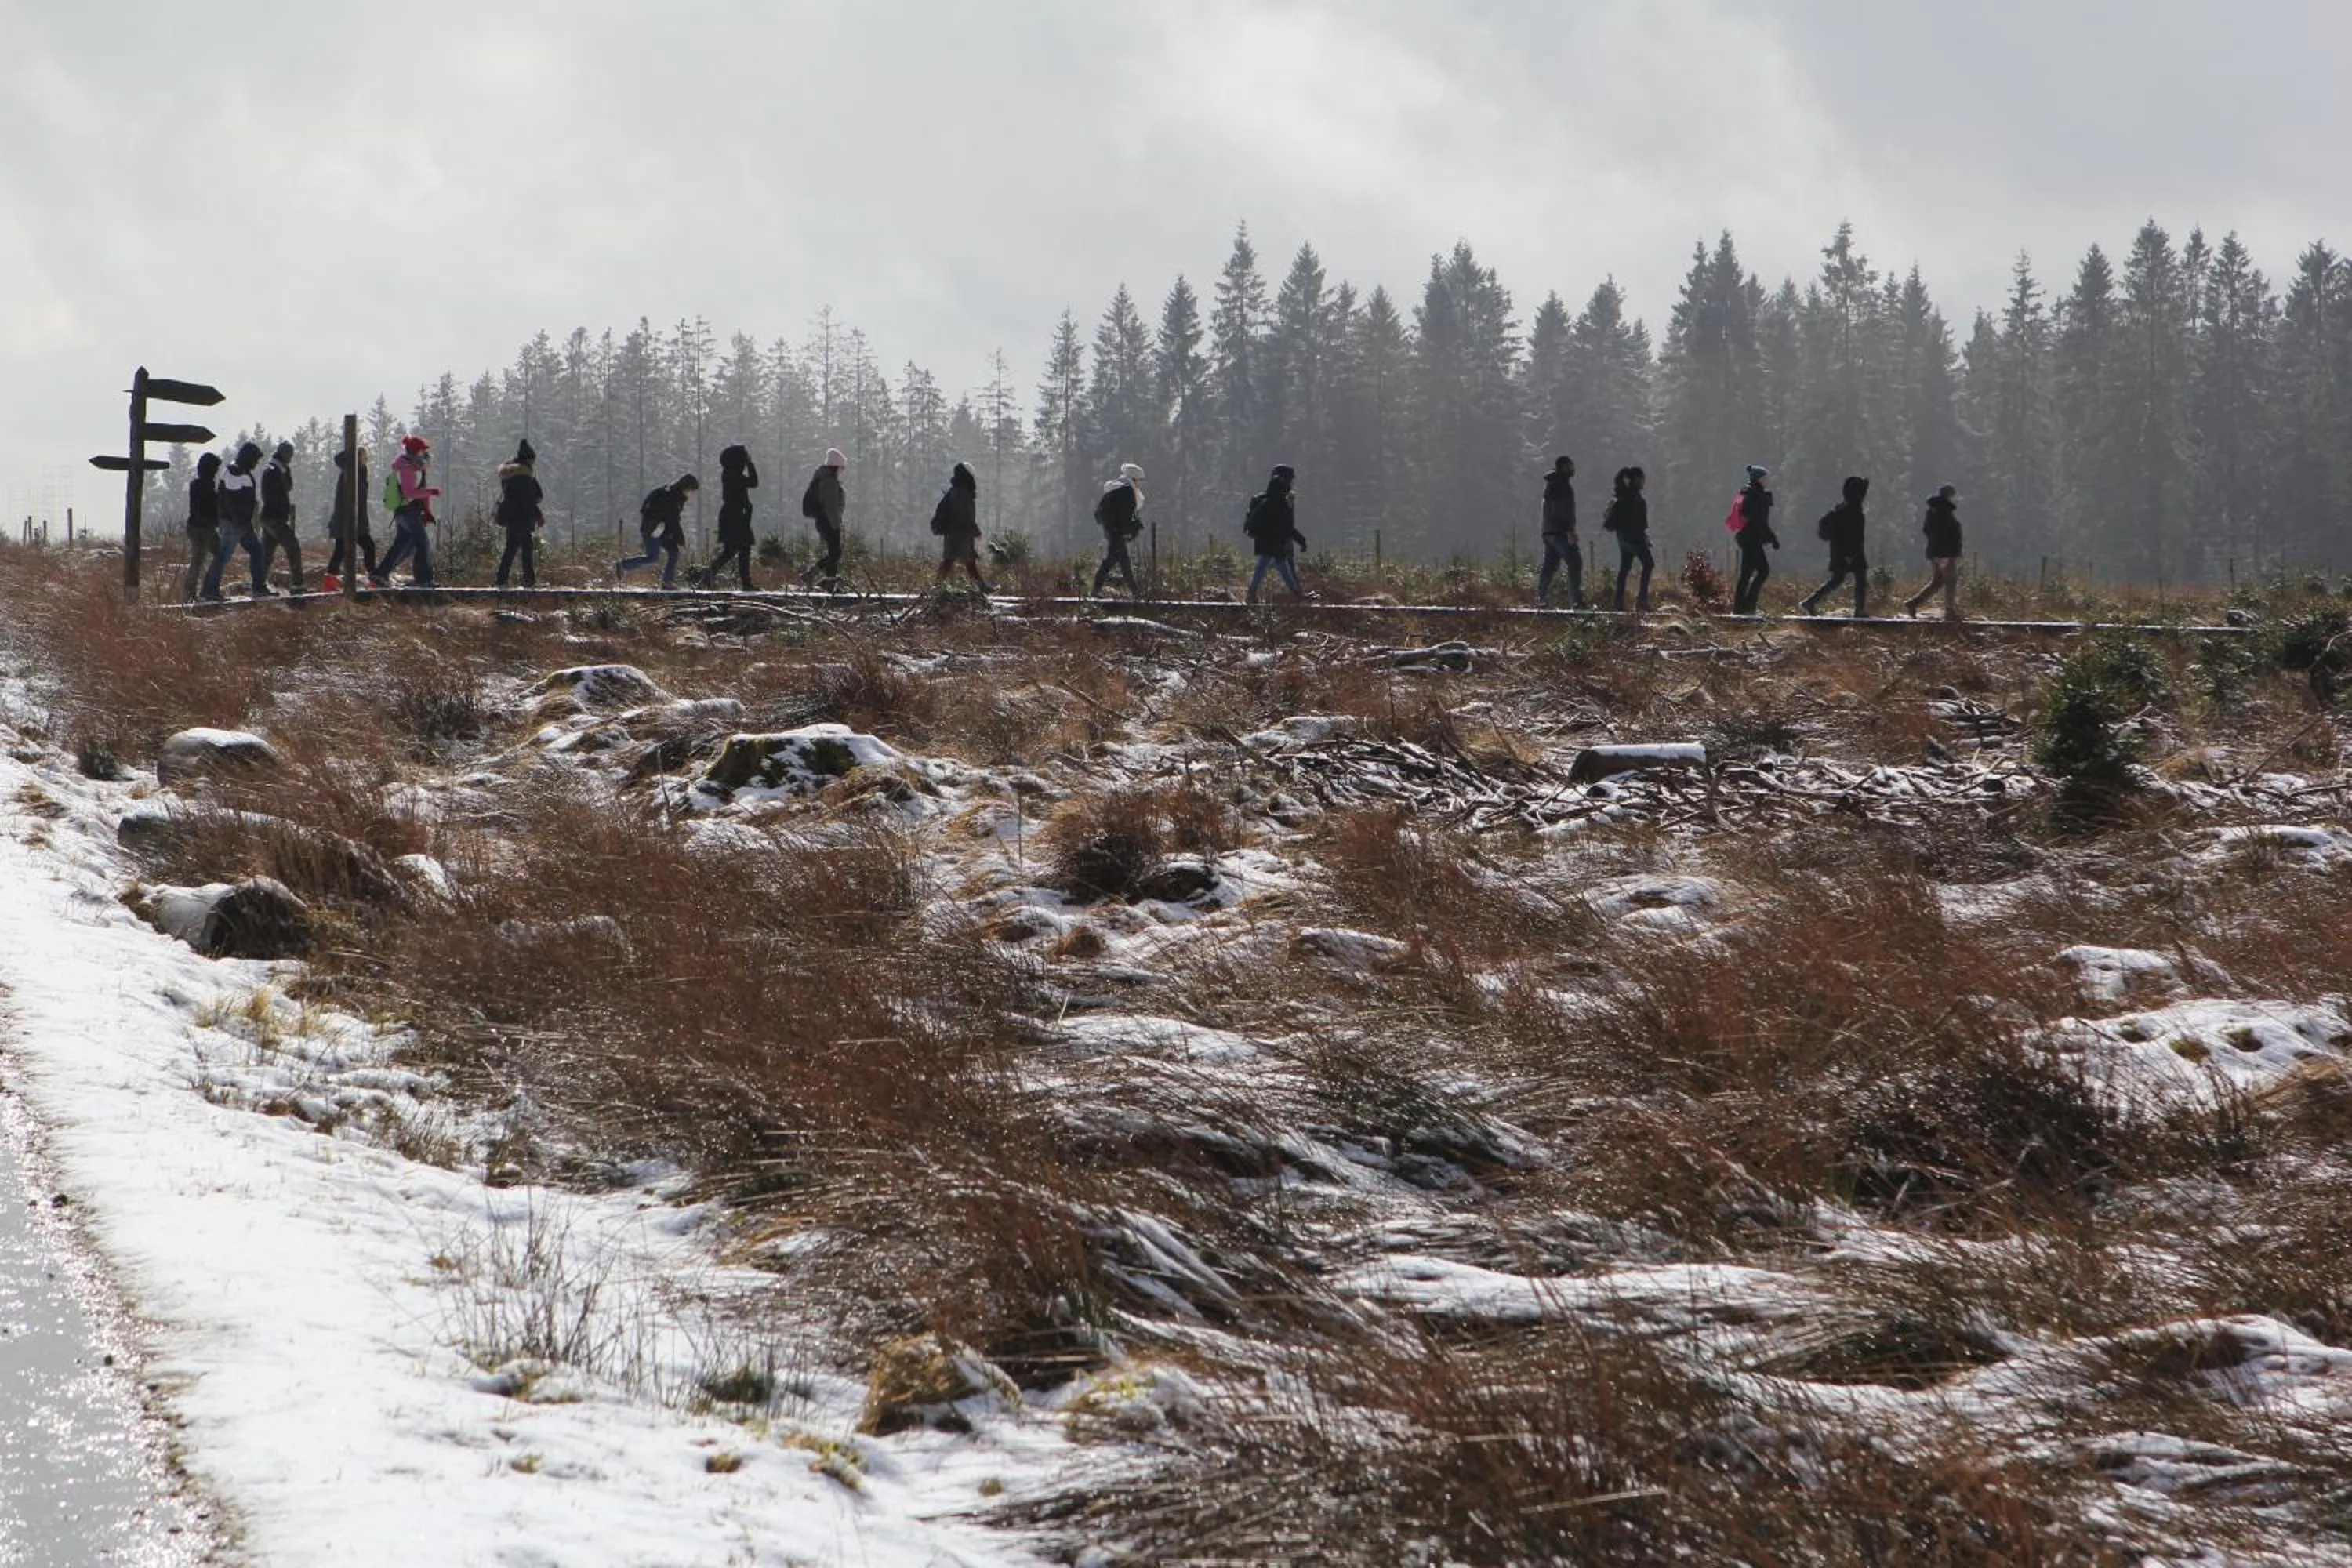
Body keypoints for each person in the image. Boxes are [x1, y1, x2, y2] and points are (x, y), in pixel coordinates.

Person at [1798, 476, 1872, 618]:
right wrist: (1850, 555)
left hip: (1840, 551)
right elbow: (1852, 536)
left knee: (1838, 579)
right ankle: (1859, 610)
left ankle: (1811, 602)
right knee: (1859, 578)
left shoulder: (1842, 509)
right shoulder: (1853, 511)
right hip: (1850, 552)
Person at [374, 434, 442, 588]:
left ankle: (381, 574)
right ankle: (424, 579)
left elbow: (414, 492)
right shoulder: (408, 468)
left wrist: (426, 510)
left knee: (404, 544)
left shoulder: (410, 466)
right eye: (423, 451)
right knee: (422, 543)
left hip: (403, 512)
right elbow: (409, 493)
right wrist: (432, 492)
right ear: (416, 451)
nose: (425, 454)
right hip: (408, 512)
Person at [201, 441, 265, 601]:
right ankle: (210, 591)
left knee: (256, 551)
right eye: (255, 460)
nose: (256, 464)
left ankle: (259, 586)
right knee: (223, 556)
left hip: (239, 523)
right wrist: (240, 522)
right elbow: (232, 502)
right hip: (235, 524)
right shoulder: (235, 473)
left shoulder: (234, 471)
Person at [693, 445, 760, 590]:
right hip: (735, 517)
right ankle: (744, 583)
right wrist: (750, 464)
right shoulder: (733, 475)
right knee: (740, 549)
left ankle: (710, 576)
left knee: (733, 550)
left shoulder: (730, 473)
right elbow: (754, 482)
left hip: (734, 516)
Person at [615, 474, 699, 587]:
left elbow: (672, 520)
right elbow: (673, 521)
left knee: (674, 552)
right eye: (691, 491)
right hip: (652, 530)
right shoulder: (671, 497)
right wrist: (681, 542)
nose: (692, 494)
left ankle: (667, 582)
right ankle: (623, 565)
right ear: (686, 487)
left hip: (662, 531)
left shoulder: (677, 496)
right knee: (652, 557)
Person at [1244, 465, 1307, 604]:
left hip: (1266, 542)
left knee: (1276, 565)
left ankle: (1296, 593)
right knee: (1273, 565)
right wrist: (1301, 540)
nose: (1292, 484)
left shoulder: (1261, 499)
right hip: (1275, 542)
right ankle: (1296, 593)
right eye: (1290, 480)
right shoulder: (1282, 502)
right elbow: (1288, 527)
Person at [1904, 485, 1964, 621]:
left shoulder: (1934, 511)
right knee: (1951, 581)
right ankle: (1950, 612)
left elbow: (1927, 531)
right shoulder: (1944, 512)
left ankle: (1914, 603)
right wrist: (1944, 556)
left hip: (1935, 551)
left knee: (1938, 581)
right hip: (1945, 553)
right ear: (1950, 496)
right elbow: (1944, 534)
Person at [1090, 463, 1146, 599]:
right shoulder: (1127, 492)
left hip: (1112, 531)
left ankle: (1136, 593)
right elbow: (1125, 517)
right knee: (1111, 561)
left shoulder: (1117, 490)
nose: (1141, 484)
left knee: (1123, 562)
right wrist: (1134, 527)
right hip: (1116, 533)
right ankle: (1095, 591)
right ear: (1133, 479)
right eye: (1140, 480)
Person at [493, 439, 545, 588]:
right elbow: (529, 498)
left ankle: (503, 580)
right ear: (529, 459)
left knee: (513, 549)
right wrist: (538, 515)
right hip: (523, 516)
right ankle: (525, 581)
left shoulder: (510, 474)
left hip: (513, 516)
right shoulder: (524, 476)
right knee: (524, 551)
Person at [929, 462, 988, 592]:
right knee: (950, 561)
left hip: (960, 533)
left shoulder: (959, 490)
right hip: (958, 534)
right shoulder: (960, 492)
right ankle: (936, 588)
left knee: (967, 562)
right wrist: (975, 529)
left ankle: (982, 587)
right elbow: (963, 514)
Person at [254, 440, 303, 594]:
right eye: (289, 454)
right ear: (283, 453)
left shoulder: (279, 469)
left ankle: (259, 585)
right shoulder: (272, 471)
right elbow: (271, 495)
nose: (291, 457)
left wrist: (287, 472)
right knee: (293, 546)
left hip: (272, 517)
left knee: (267, 553)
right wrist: (281, 508)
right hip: (273, 517)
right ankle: (298, 584)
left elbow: (288, 487)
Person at [324, 446, 377, 586]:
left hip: (348, 519)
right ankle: (373, 578)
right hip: (351, 520)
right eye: (363, 456)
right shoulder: (355, 471)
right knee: (368, 546)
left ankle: (330, 579)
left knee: (341, 549)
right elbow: (357, 499)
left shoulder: (351, 471)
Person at [1537, 456, 1584, 609]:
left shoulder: (1552, 484)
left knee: (1550, 565)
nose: (1574, 469)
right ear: (1564, 467)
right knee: (1575, 561)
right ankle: (1577, 601)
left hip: (1548, 530)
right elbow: (1561, 510)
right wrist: (1569, 530)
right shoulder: (1562, 485)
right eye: (1571, 466)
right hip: (1559, 532)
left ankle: (1542, 599)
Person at [1732, 464, 1779, 615]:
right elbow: (1758, 521)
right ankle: (1744, 607)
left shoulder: (1754, 494)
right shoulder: (1752, 496)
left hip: (1751, 539)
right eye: (1766, 478)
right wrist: (1772, 538)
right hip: (1750, 539)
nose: (1768, 480)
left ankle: (1745, 606)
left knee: (1753, 572)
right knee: (1757, 572)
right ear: (1758, 479)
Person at [1605, 466, 1653, 612]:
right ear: (1638, 480)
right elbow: (1641, 524)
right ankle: (1642, 600)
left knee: (1624, 569)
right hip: (1636, 539)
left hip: (1623, 539)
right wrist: (1643, 539)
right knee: (1649, 564)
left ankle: (1618, 602)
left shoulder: (1622, 496)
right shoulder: (1637, 500)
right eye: (1643, 479)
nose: (1644, 482)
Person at [800, 448, 847, 590]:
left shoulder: (821, 479)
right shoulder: (830, 482)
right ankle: (812, 574)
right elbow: (831, 506)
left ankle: (830, 584)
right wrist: (836, 525)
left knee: (833, 553)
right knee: (835, 553)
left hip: (823, 521)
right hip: (829, 521)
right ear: (836, 467)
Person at [182, 452, 222, 602]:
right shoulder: (201, 485)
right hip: (201, 528)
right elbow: (202, 509)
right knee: (198, 560)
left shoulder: (205, 484)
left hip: (204, 527)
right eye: (215, 469)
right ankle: (191, 593)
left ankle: (205, 589)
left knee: (217, 554)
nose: (216, 472)